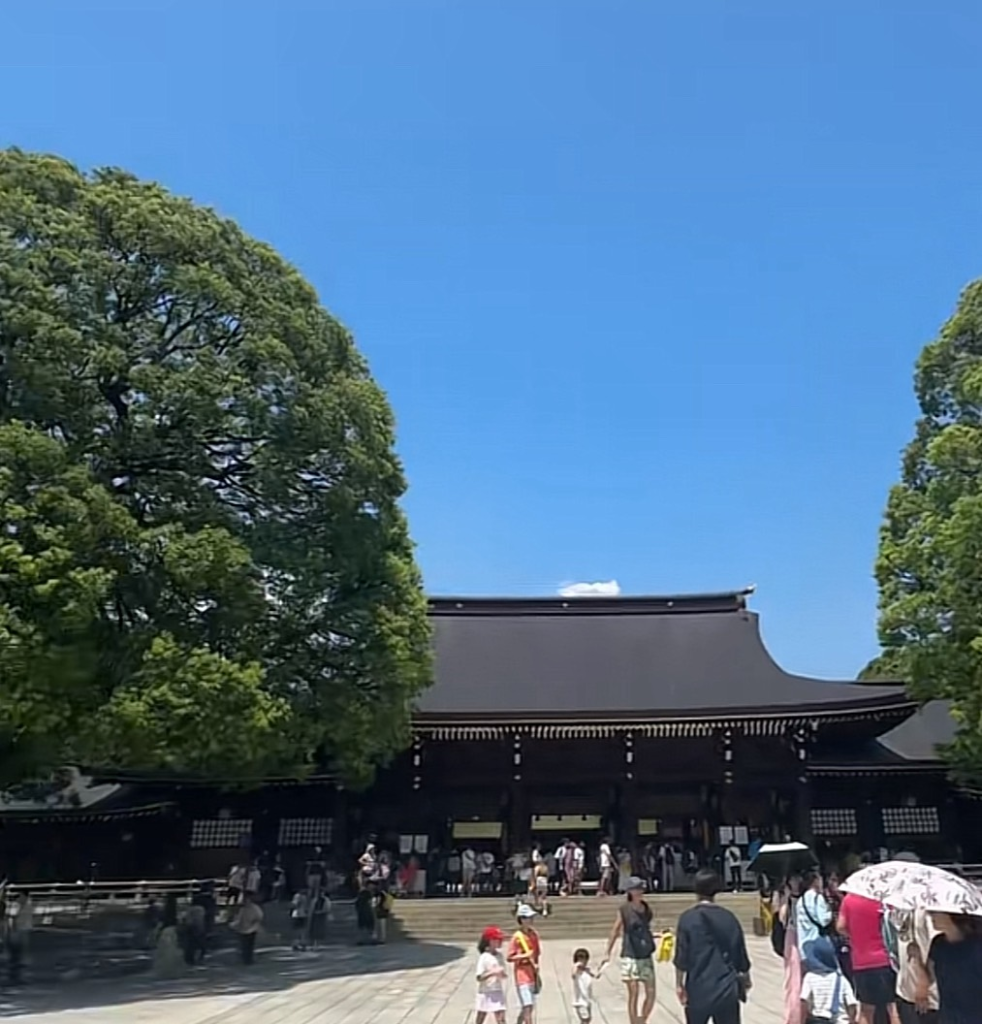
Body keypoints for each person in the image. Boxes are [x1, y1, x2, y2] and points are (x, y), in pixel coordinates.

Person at [674, 869, 752, 1024]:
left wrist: (679, 984)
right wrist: (746, 978)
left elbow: (681, 957)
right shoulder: (729, 917)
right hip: (726, 987)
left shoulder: (688, 918)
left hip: (698, 987)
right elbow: (740, 953)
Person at [837, 892, 900, 1024]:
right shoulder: (884, 899)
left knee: (866, 1009)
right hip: (884, 959)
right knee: (893, 1008)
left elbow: (840, 926)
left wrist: (854, 936)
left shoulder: (849, 899)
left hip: (860, 961)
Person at [601, 876, 656, 1024]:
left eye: (640, 888)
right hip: (630, 954)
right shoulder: (624, 909)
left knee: (651, 993)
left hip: (645, 953)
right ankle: (633, 1021)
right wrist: (608, 951)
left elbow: (647, 928)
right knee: (634, 993)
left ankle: (642, 1020)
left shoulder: (646, 908)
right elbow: (615, 930)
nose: (639, 892)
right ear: (630, 891)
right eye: (636, 889)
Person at [926, 911, 982, 1024]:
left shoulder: (977, 945)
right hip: (948, 1016)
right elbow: (929, 978)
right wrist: (915, 959)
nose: (931, 915)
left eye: (935, 912)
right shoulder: (938, 943)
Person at [890, 907, 938, 1024]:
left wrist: (923, 983)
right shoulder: (902, 908)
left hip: (928, 997)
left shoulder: (928, 910)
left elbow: (937, 947)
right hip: (906, 992)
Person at [800, 940, 858, 1024]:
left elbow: (803, 1001)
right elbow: (852, 1004)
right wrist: (852, 1020)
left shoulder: (810, 977)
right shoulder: (841, 979)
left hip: (817, 1020)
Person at [507, 904, 541, 1024]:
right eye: (528, 917)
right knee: (528, 1005)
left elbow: (536, 954)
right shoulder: (517, 937)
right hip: (521, 974)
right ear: (521, 919)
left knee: (528, 1007)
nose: (531, 920)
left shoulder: (534, 935)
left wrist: (537, 970)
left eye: (531, 917)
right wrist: (523, 956)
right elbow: (509, 957)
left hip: (532, 974)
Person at [797, 869, 835, 970]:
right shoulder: (818, 898)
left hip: (804, 943)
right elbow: (823, 920)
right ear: (815, 881)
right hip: (817, 942)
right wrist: (830, 912)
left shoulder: (800, 900)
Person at [475, 925, 508, 1024]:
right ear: (490, 941)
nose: (500, 941)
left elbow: (503, 973)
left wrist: (502, 974)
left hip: (497, 989)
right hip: (485, 991)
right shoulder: (484, 957)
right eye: (497, 939)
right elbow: (479, 977)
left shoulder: (499, 956)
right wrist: (492, 973)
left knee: (501, 1018)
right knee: (481, 1016)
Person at [4, 891, 33, 985]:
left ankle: (17, 977)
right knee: (15, 957)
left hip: (20, 932)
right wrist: (11, 931)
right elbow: (12, 919)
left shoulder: (24, 905)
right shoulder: (18, 906)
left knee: (18, 957)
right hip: (17, 933)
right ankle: (14, 977)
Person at [231, 892, 263, 965]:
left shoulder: (255, 908)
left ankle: (249, 959)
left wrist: (254, 926)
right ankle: (245, 959)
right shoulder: (242, 909)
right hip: (242, 929)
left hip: (251, 929)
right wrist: (235, 925)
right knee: (244, 945)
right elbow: (238, 919)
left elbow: (259, 918)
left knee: (249, 945)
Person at [572, 947, 599, 1023]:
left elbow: (595, 974)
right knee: (585, 1020)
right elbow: (573, 974)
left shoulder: (586, 970)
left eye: (585, 959)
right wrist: (576, 965)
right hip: (580, 1002)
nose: (583, 962)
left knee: (588, 1019)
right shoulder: (577, 972)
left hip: (587, 1000)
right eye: (580, 959)